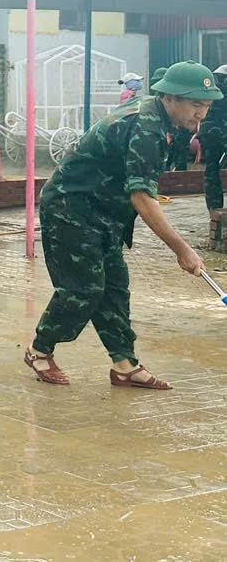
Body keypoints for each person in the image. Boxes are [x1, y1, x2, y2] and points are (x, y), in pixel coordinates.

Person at [23, 61, 220, 390]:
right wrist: (182, 249)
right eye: (196, 104)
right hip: (71, 207)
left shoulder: (163, 120)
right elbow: (142, 198)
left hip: (104, 210)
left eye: (207, 106)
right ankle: (39, 349)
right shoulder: (146, 129)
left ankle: (124, 365)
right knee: (83, 290)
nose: (201, 114)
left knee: (114, 286)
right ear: (169, 98)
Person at [151, 67, 192, 171]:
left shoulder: (172, 99)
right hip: (170, 134)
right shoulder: (156, 101)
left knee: (178, 158)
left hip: (178, 133)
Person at [202, 64, 227, 212]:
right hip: (223, 134)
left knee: (211, 170)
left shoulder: (208, 91)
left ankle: (214, 209)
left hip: (209, 135)